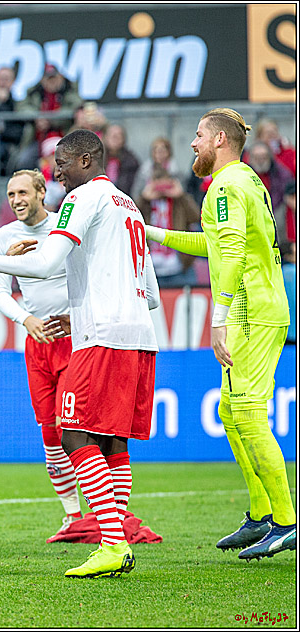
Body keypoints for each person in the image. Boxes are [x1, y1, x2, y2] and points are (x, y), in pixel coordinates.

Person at [0, 130, 161, 578]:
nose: (55, 171)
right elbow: (151, 293)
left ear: (84, 159)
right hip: (139, 335)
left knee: (73, 433)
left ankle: (111, 542)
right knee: (111, 439)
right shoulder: (127, 204)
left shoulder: (82, 199)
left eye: (60, 162)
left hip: (100, 338)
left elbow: (45, 265)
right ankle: (113, 534)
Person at [145, 108, 296, 559]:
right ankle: (260, 513)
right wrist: (151, 231)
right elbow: (213, 244)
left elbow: (228, 254)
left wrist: (220, 317)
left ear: (219, 142)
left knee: (247, 412)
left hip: (250, 310)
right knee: (232, 412)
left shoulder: (227, 186)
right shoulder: (246, 180)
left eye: (198, 135)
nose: (193, 143)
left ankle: (286, 522)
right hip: (262, 305)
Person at [0, 169, 82, 536]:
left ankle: (107, 510)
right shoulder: (4, 237)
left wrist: (79, 317)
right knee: (49, 431)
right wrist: (26, 319)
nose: (17, 200)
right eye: (11, 194)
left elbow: (88, 277)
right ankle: (73, 515)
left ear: (43, 192)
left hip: (75, 338)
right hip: (38, 342)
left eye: (23, 192)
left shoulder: (66, 225)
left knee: (78, 427)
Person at [135, 164, 201, 287]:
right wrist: (144, 198)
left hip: (179, 267)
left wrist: (181, 196)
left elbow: (196, 217)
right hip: (151, 268)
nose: (162, 190)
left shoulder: (179, 202)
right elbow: (131, 220)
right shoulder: (146, 203)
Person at [14, 64, 82, 171]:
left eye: (54, 78)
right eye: (48, 79)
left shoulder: (69, 90)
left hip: (64, 136)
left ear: (60, 77)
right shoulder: (34, 92)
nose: (52, 82)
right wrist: (37, 117)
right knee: (23, 161)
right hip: (39, 138)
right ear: (42, 80)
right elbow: (22, 108)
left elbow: (76, 106)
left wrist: (50, 120)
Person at [244, 141, 291, 212]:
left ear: (270, 157)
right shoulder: (244, 174)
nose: (260, 161)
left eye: (264, 157)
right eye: (256, 157)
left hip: (277, 212)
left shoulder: (282, 174)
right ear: (250, 158)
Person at [102, 124, 140, 195]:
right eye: (113, 136)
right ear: (105, 137)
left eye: (119, 136)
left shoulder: (131, 161)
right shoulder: (98, 159)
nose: (116, 139)